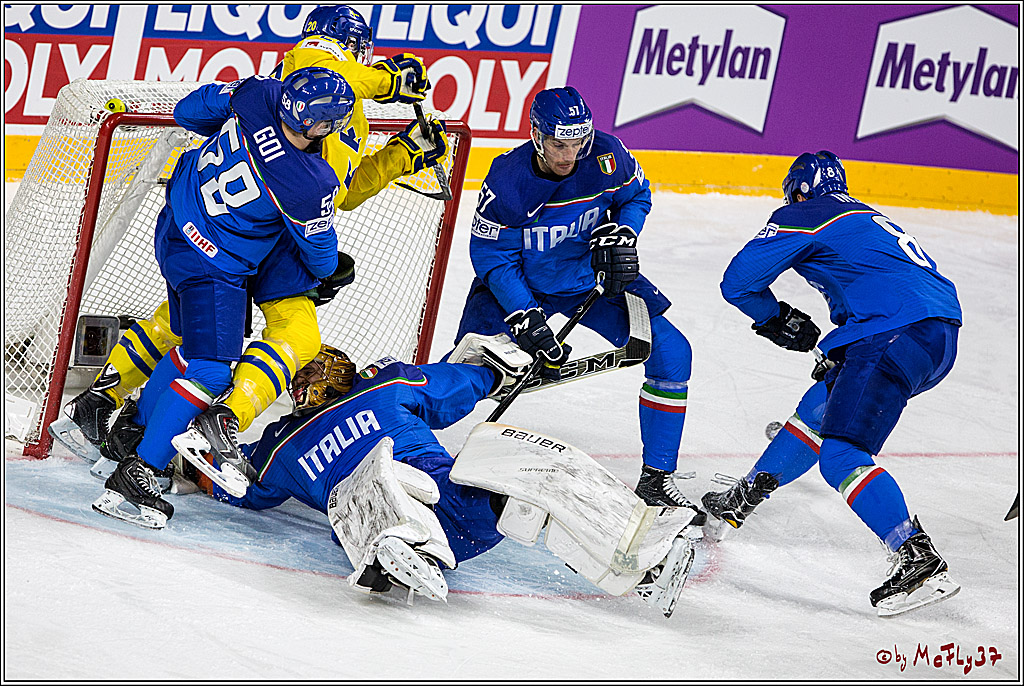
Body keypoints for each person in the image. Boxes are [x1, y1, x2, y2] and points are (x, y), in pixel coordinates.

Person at [51, 5, 445, 480]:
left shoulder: (284, 94)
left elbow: (340, 191)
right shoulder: (315, 71)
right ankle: (212, 425)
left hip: (234, 225)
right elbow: (324, 67)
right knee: (263, 340)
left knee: (185, 324)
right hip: (262, 236)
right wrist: (385, 79)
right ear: (355, 52)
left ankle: (119, 415)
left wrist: (404, 154)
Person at [192, 334, 701, 616]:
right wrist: (181, 464)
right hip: (383, 512)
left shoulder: (367, 398)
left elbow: (454, 382)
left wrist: (501, 365)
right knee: (377, 478)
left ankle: (644, 554)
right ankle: (399, 547)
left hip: (455, 502)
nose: (300, 386)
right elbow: (233, 479)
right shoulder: (281, 442)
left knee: (525, 458)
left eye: (308, 375)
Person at [89, 67, 354, 529]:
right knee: (212, 371)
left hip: (174, 225)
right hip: (212, 266)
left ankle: (134, 434)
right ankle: (139, 473)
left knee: (190, 345)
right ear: (320, 126)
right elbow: (320, 252)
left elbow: (188, 112)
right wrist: (331, 273)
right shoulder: (310, 181)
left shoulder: (259, 93)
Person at [703, 150, 963, 617]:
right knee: (819, 409)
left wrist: (775, 318)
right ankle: (741, 499)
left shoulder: (806, 213)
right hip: (935, 336)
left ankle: (917, 557)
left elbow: (738, 281)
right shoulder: (865, 215)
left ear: (799, 191)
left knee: (842, 453)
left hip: (893, 331)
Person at [450, 86, 699, 515]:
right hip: (522, 288)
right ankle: (395, 433)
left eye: (577, 143)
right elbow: (491, 255)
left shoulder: (607, 154)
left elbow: (636, 196)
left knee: (673, 354)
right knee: (469, 376)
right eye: (559, 145)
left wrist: (624, 231)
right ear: (536, 136)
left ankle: (657, 480)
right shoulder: (508, 181)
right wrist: (523, 313)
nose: (569, 156)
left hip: (592, 281)